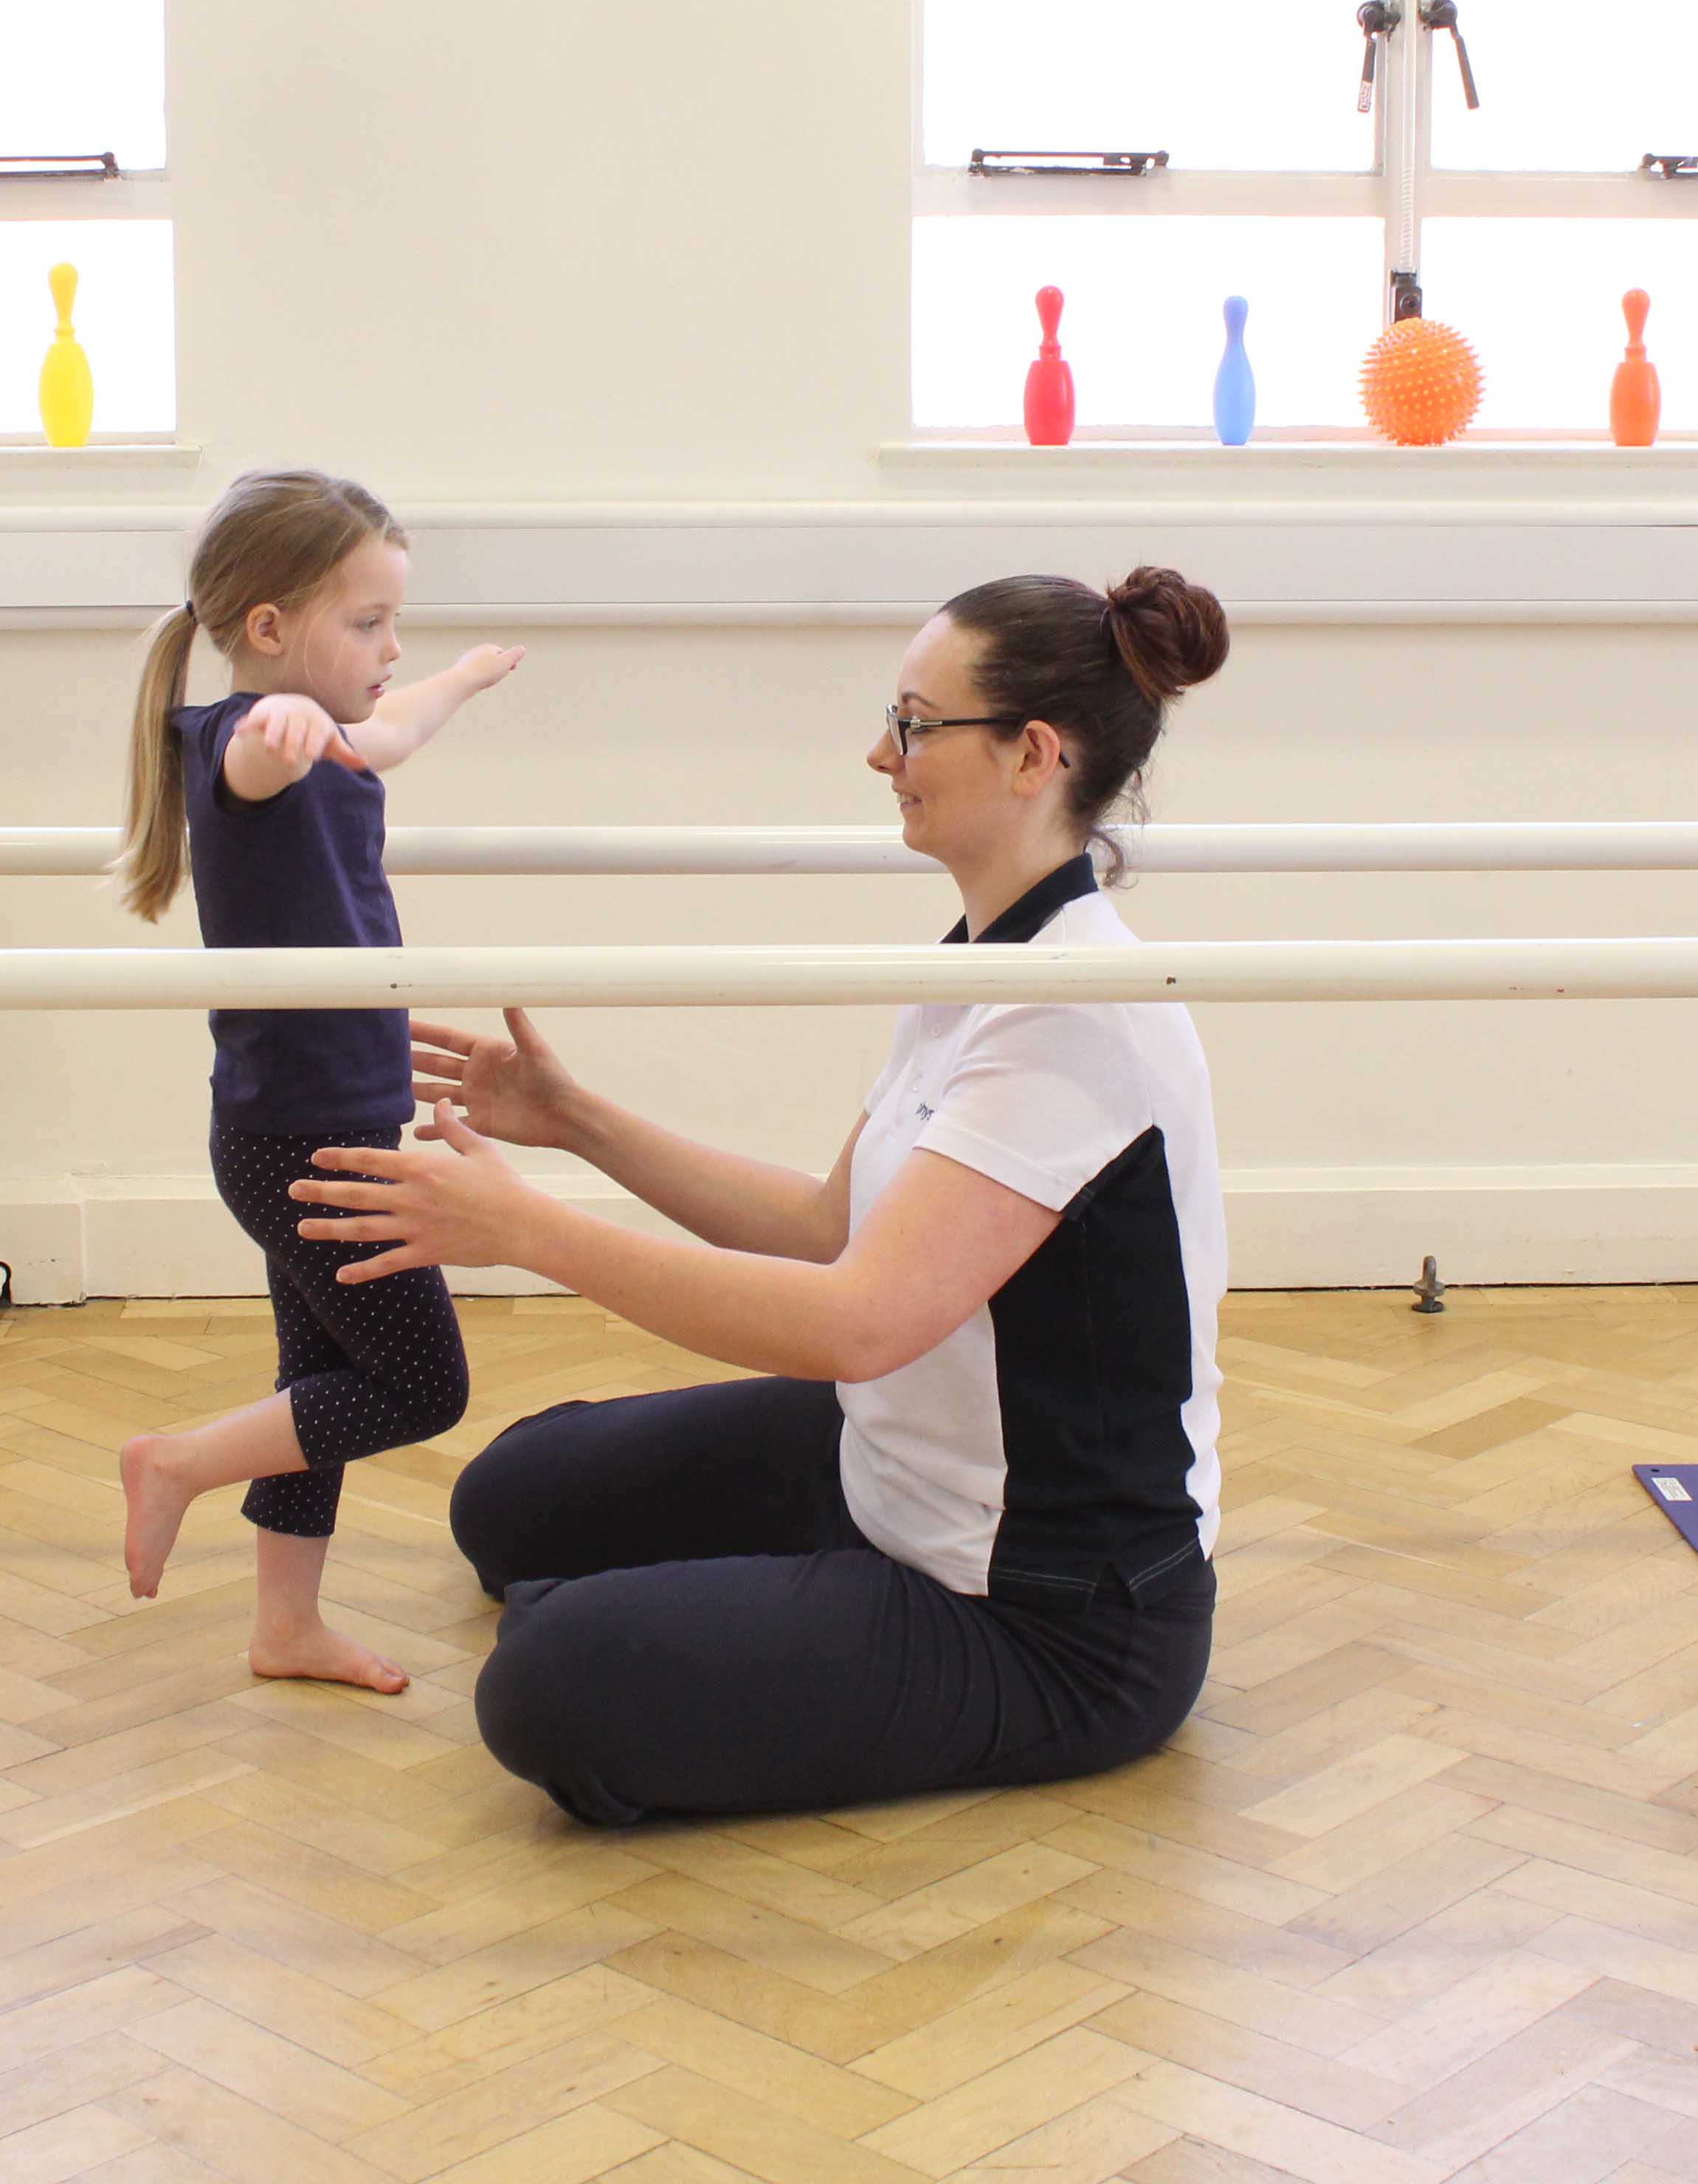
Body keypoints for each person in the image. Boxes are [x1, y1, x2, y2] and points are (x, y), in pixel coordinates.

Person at [288, 568, 1232, 1821]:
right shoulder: (986, 960)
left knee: (549, 1685)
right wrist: (578, 1125)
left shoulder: (1072, 1015)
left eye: (911, 725)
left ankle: (700, 1628)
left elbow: (853, 1321)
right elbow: (826, 1227)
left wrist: (532, 1234)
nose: (877, 755)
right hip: (883, 1465)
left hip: (1050, 1617)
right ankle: (725, 1611)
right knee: (508, 1505)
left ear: (1032, 756)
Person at [112, 468, 524, 1694]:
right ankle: (179, 1462)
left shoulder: (335, 735)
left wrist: (457, 680)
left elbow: (384, 735)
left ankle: (284, 1628)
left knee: (321, 1383)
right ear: (270, 631)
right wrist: (277, 727)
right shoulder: (244, 742)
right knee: (419, 1384)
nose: (392, 648)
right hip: (303, 1140)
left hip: (315, 1123)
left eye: (397, 623)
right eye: (368, 624)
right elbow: (257, 755)